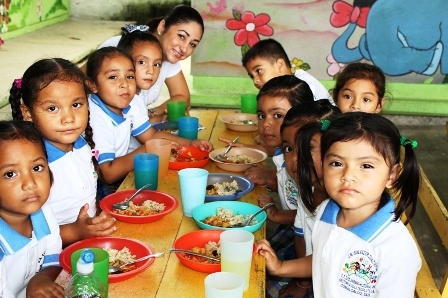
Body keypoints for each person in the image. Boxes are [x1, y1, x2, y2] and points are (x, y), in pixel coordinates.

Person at [257, 112, 422, 297]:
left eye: (366, 166)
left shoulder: (395, 249)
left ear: (392, 175)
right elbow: (323, 261)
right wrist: (280, 268)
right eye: (336, 163)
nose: (348, 176)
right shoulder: (325, 211)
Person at [9, 58, 116, 246]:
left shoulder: (82, 144)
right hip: (52, 259)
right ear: (27, 113)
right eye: (52, 108)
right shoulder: (33, 164)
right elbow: (30, 233)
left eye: (76, 105)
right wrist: (76, 231)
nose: (68, 118)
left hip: (88, 242)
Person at [85, 47, 213, 199]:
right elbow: (108, 174)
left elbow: (151, 136)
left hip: (122, 175)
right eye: (113, 77)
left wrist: (191, 143)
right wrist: (146, 149)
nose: (124, 84)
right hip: (98, 189)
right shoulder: (96, 119)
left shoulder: (129, 103)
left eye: (130, 76)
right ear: (92, 85)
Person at [97, 4, 204, 122]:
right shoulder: (116, 49)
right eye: (181, 36)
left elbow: (183, 97)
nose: (184, 49)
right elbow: (81, 82)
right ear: (162, 27)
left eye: (192, 44)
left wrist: (152, 112)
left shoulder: (169, 57)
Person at [278, 100, 341, 298]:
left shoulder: (344, 206)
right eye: (288, 149)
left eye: (307, 147)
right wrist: (303, 283)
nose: (295, 158)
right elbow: (300, 237)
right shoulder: (308, 189)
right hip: (310, 273)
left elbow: (333, 263)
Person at [0, 120, 65, 298]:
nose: (30, 184)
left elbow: (53, 255)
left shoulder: (44, 211)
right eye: (10, 174)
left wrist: (41, 278)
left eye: (37, 168)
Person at [242, 38, 332, 101]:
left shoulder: (303, 85)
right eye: (252, 76)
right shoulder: (285, 88)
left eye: (258, 71)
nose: (255, 81)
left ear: (280, 65)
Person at [117, 24, 163, 108]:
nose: (151, 71)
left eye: (156, 64)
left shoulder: (137, 101)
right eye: (142, 62)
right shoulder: (117, 101)